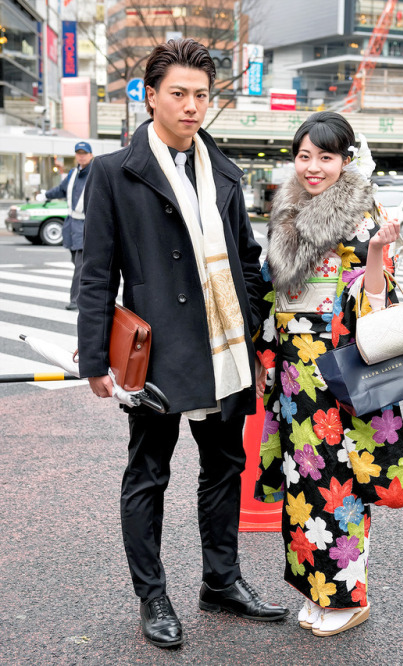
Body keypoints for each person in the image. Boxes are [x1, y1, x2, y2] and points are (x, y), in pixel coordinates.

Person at [77, 39, 288, 649]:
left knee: (225, 466)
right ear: (151, 96)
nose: (192, 106)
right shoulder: (116, 172)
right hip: (159, 353)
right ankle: (153, 595)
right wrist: (96, 356)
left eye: (201, 94)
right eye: (179, 94)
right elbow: (98, 273)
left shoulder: (222, 168)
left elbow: (247, 259)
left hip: (225, 347)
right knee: (149, 471)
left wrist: (250, 325)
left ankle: (221, 580)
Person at [254, 112, 403, 637]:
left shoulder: (364, 211)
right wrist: (267, 353)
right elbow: (270, 291)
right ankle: (314, 588)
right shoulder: (286, 206)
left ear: (346, 160)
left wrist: (373, 254)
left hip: (338, 375)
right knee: (304, 485)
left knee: (338, 485)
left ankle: (348, 594)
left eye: (326, 156)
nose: (313, 166)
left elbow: (377, 299)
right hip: (294, 376)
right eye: (304, 155)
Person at [37, 142, 94, 310]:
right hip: (71, 225)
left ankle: (76, 300)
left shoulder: (96, 173)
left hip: (87, 225)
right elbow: (61, 190)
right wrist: (45, 195)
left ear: (91, 155)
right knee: (77, 262)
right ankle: (87, 295)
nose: (81, 156)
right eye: (79, 153)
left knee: (80, 264)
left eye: (84, 153)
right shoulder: (73, 173)